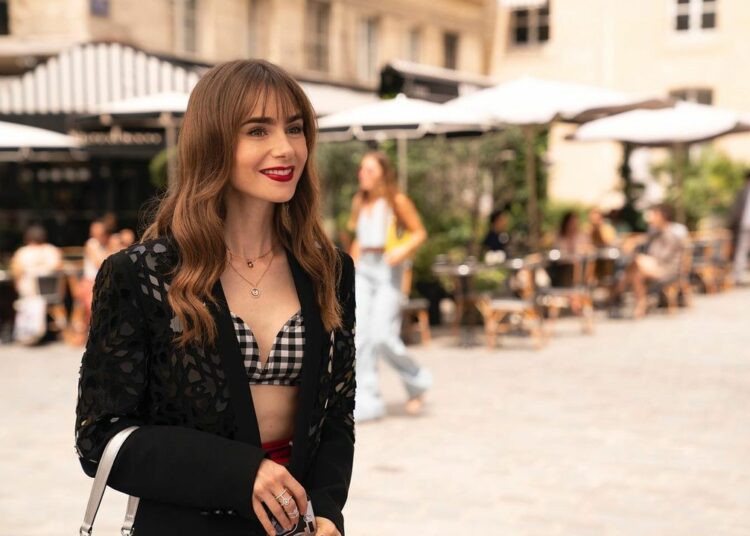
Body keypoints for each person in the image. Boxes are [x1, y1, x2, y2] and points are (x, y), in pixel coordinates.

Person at [75, 60, 355, 536]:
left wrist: (328, 509)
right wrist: (241, 473)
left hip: (293, 525)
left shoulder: (328, 269)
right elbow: (99, 437)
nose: (285, 148)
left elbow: (337, 414)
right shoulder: (141, 274)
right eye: (258, 130)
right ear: (213, 142)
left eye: (294, 128)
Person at [346, 151, 431, 422]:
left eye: (369, 170)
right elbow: (359, 239)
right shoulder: (360, 202)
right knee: (360, 337)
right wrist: (350, 266)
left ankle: (417, 381)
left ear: (383, 173)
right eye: (361, 169)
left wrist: (401, 251)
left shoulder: (397, 201)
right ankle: (367, 402)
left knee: (382, 336)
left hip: (387, 269)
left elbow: (419, 232)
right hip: (364, 270)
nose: (362, 174)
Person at [619, 203, 684, 318]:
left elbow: (663, 258)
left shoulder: (671, 234)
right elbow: (642, 239)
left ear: (663, 216)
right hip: (653, 266)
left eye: (654, 214)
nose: (651, 217)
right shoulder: (654, 232)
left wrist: (643, 258)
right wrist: (633, 242)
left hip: (667, 269)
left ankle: (620, 291)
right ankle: (639, 302)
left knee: (637, 262)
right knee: (637, 272)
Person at [9, 225, 62, 344]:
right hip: (52, 292)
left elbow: (16, 272)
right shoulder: (52, 250)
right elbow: (59, 267)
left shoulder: (23, 252)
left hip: (29, 293)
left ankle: (27, 333)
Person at [729, 169, 750, 284]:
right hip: (744, 225)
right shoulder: (743, 191)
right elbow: (736, 209)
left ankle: (738, 276)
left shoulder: (743, 191)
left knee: (741, 250)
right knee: (741, 250)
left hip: (744, 225)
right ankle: (737, 276)